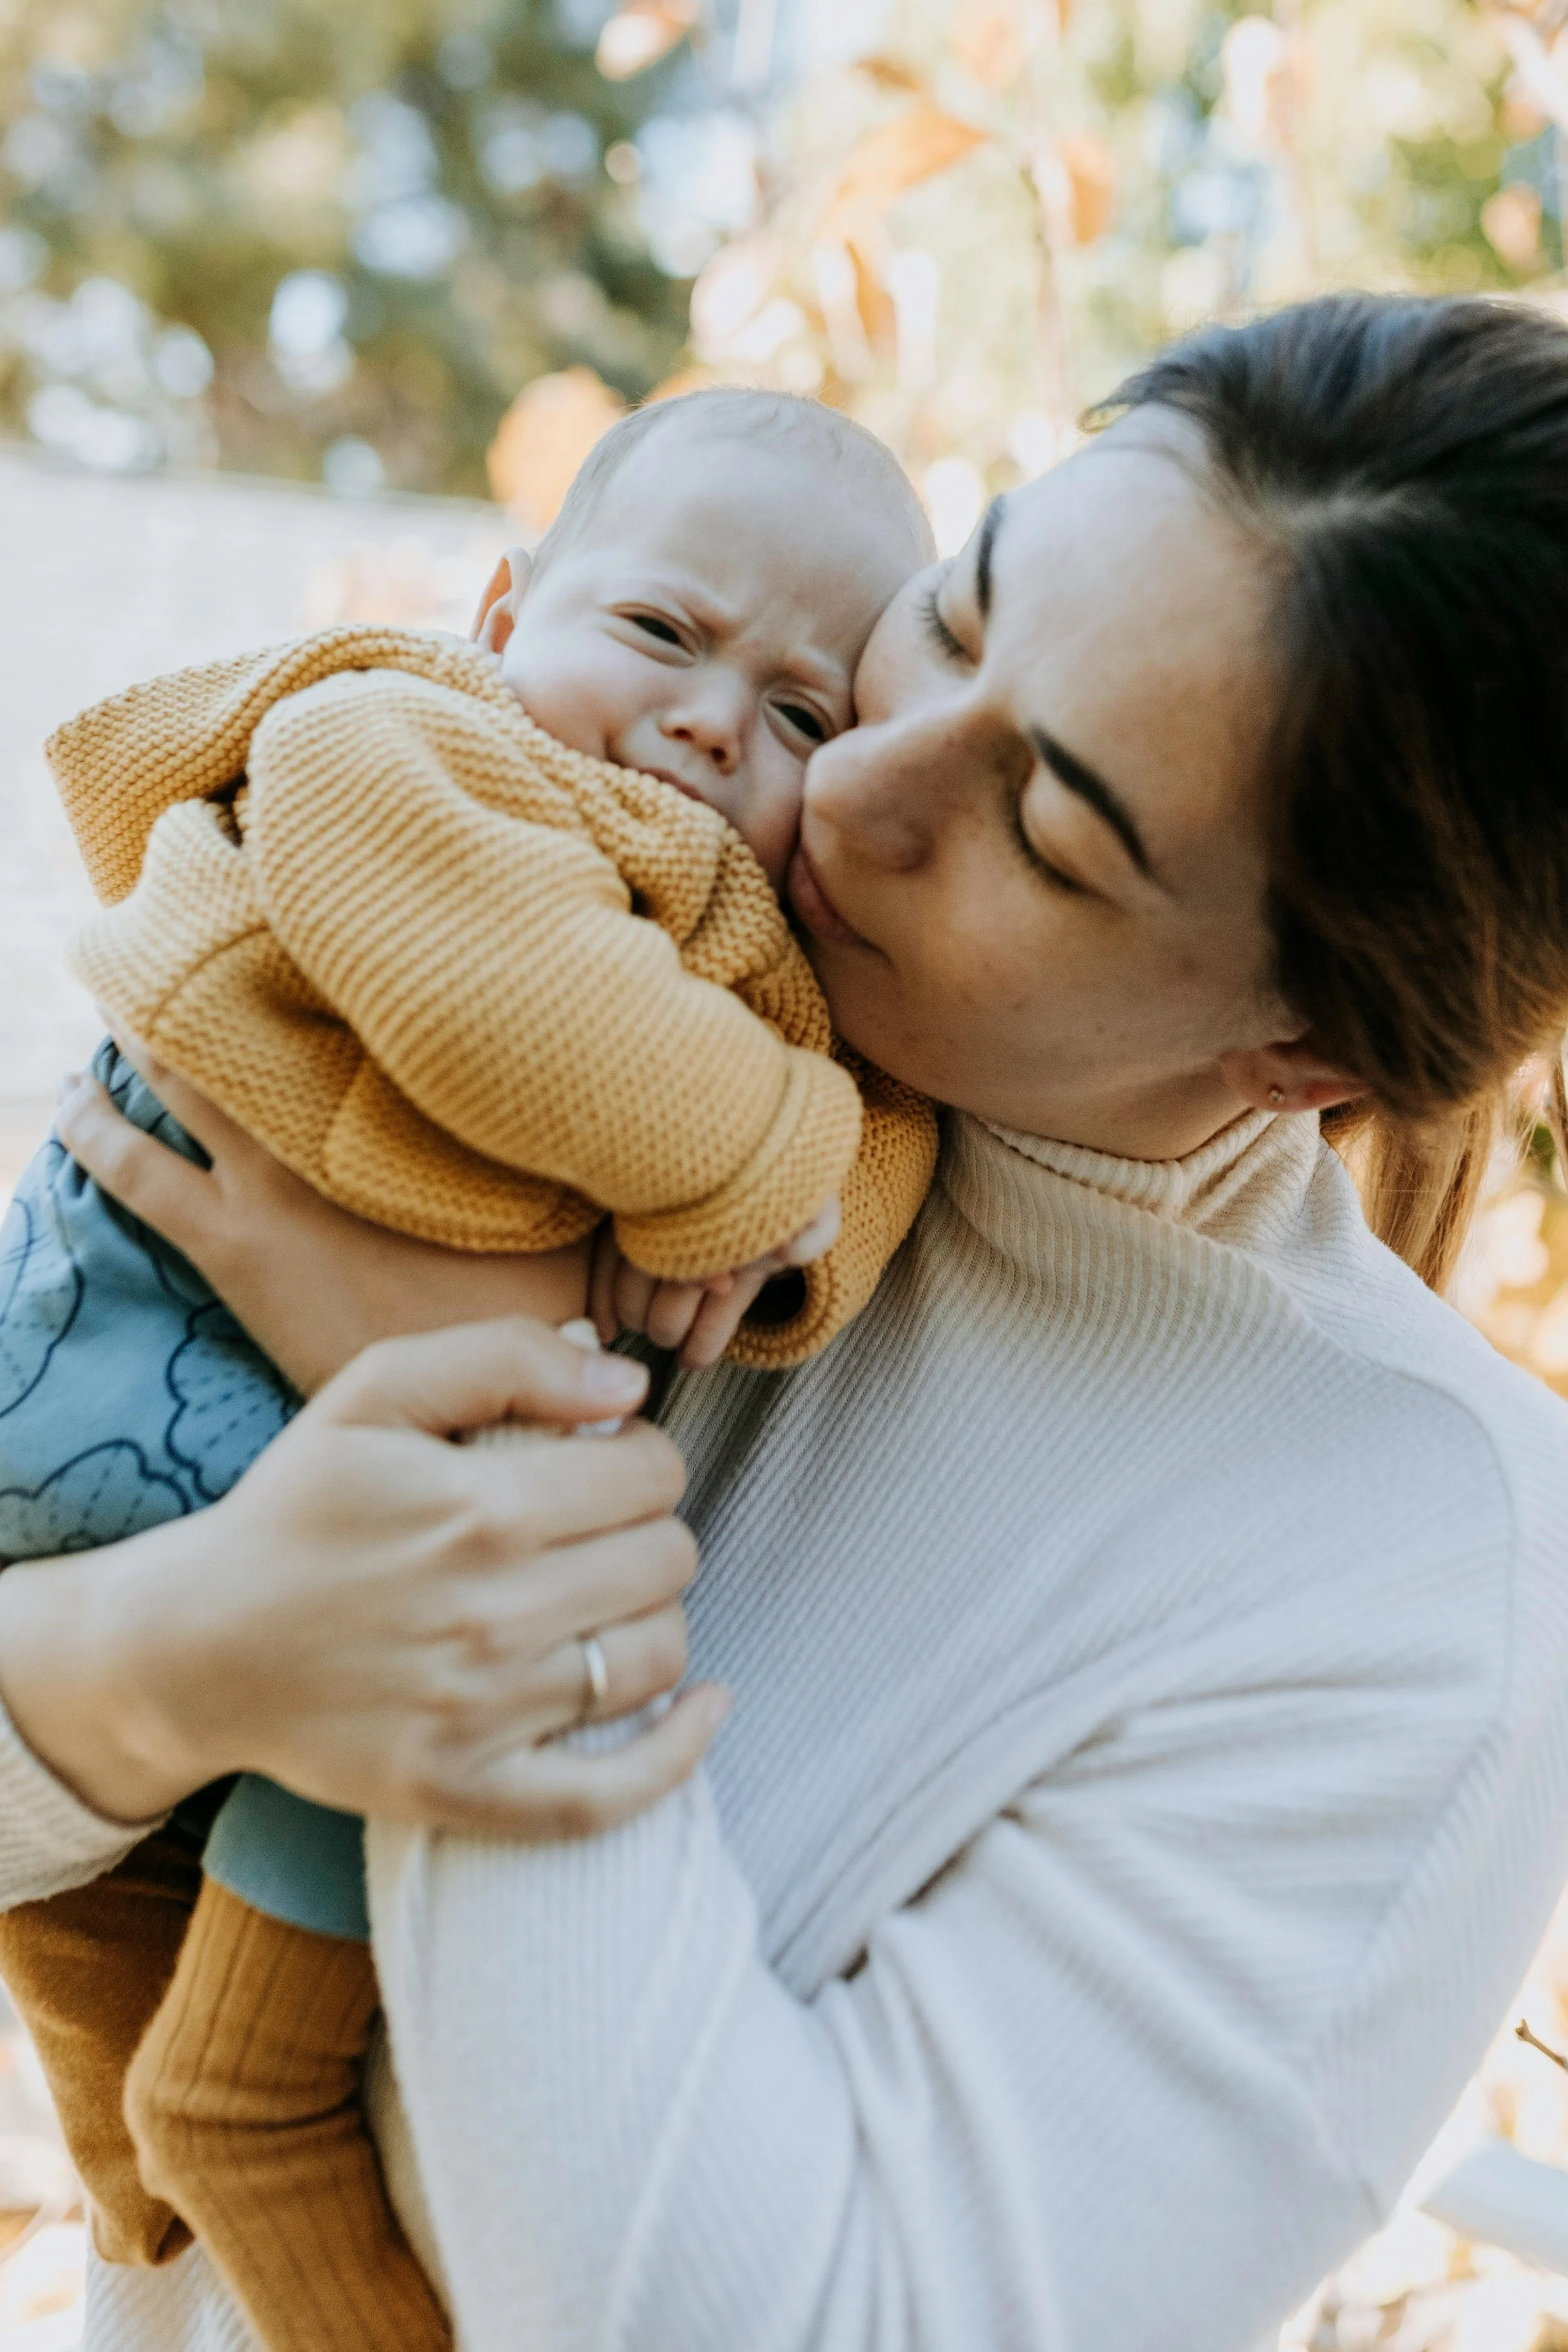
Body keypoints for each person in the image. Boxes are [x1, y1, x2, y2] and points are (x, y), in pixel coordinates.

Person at [4, 291, 1568, 2352]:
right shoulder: (578, 983)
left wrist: (485, 1421)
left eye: (1047, 828)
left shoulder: (1424, 1566)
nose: (851, 790)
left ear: (1289, 1051)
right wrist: (155, 1666)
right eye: (961, 605)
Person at [0, 390, 935, 2352]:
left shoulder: (740, 939)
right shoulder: (396, 741)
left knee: (254, 1932)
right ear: (502, 614)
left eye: (801, 715)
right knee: (94, 1937)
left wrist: (800, 1229)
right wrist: (754, 1177)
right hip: (113, 1386)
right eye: (663, 635)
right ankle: (135, 2164)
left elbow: (870, 1137)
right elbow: (504, 1006)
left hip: (348, 1520)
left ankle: (181, 2148)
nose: (709, 724)